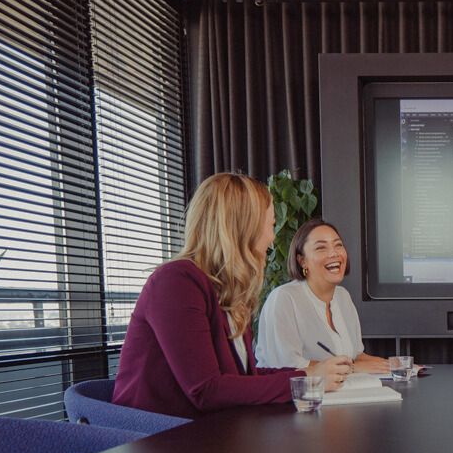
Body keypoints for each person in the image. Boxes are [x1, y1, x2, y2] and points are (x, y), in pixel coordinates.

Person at [113, 173, 353, 418]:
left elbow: (244, 379)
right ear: (242, 227)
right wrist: (305, 378)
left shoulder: (230, 291)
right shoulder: (176, 281)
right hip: (156, 440)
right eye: (270, 226)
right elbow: (207, 390)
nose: (272, 240)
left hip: (211, 432)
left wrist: (310, 375)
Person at [255, 219, 390, 373]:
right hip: (297, 396)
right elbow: (287, 367)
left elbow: (356, 356)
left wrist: (399, 366)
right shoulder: (283, 299)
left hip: (343, 393)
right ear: (302, 261)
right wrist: (353, 369)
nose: (334, 253)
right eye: (321, 248)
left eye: (338, 245)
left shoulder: (343, 296)